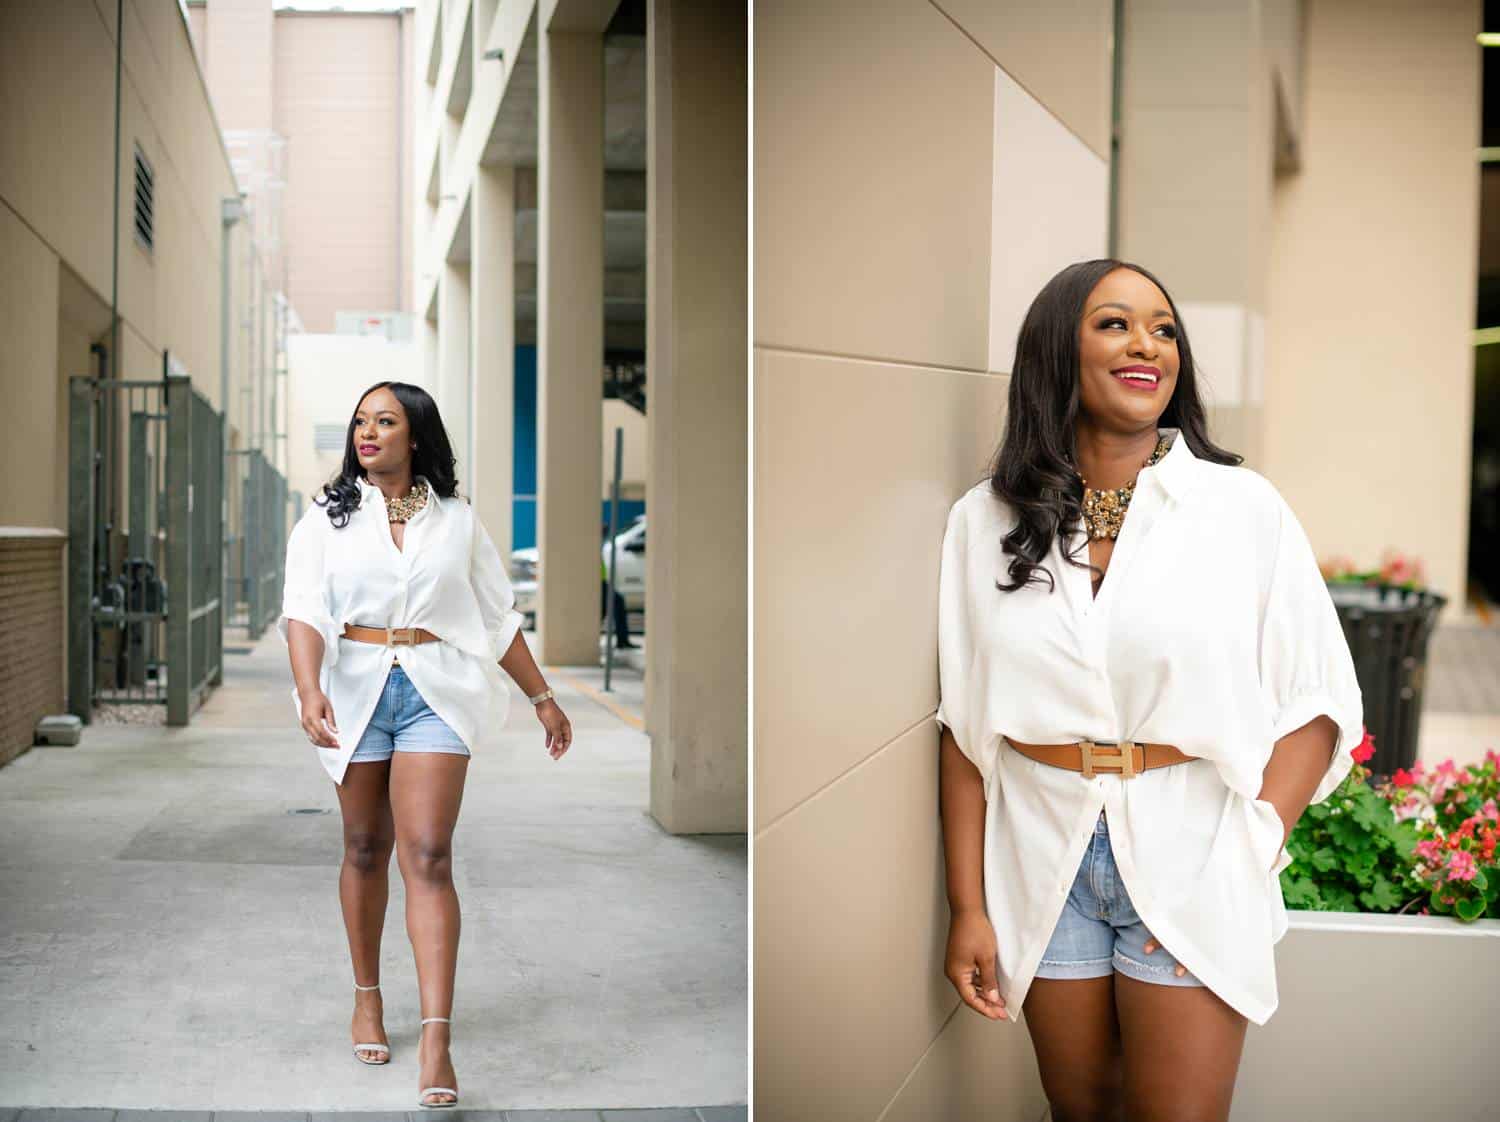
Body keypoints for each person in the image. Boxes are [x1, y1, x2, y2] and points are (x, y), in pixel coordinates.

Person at [935, 259, 1363, 1121]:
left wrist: (1252, 842)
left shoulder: (1241, 509)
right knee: (1082, 1111)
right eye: (1116, 324)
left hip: (1195, 847)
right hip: (1043, 860)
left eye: (1164, 329)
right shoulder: (984, 520)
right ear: (1060, 349)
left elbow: (1317, 700)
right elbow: (964, 730)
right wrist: (968, 908)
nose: (1147, 345)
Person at [278, 380, 573, 1110]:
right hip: (353, 691)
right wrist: (310, 687)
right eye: (359, 422)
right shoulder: (326, 520)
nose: (367, 433)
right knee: (364, 848)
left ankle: (437, 1038)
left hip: (436, 690)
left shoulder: (458, 522)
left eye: (385, 421)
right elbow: (304, 611)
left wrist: (543, 698)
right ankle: (368, 997)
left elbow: (497, 617)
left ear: (417, 437)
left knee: (430, 854)